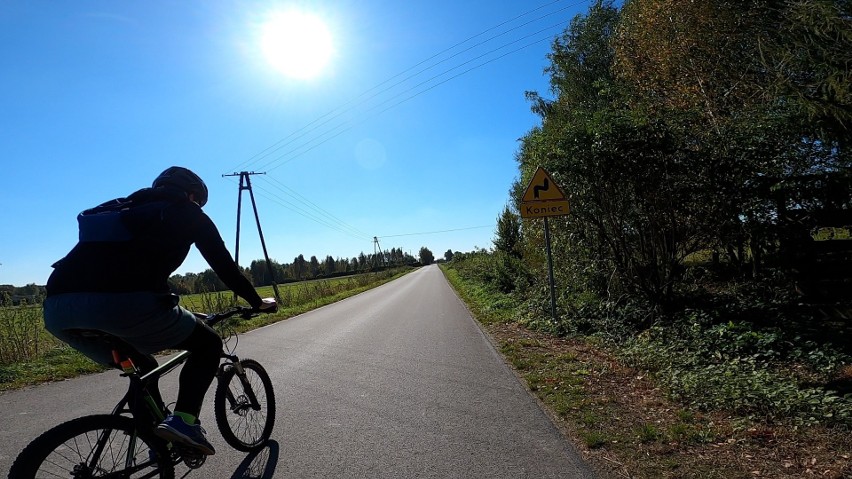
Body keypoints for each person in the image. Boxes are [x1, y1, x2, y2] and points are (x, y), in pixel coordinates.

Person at [43, 166, 276, 455]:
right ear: (192, 195)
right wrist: (257, 302)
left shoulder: (121, 210)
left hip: (57, 309)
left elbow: (116, 270)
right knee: (209, 344)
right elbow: (225, 267)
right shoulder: (188, 212)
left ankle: (157, 442)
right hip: (125, 306)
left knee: (143, 366)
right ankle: (185, 422)